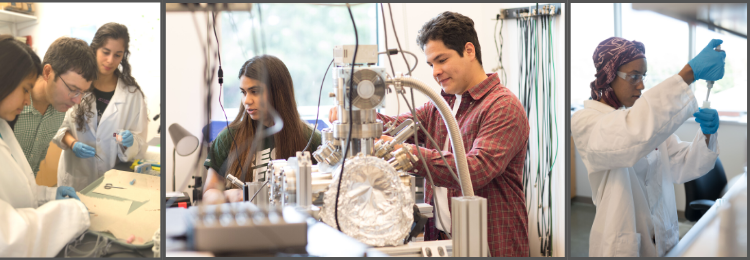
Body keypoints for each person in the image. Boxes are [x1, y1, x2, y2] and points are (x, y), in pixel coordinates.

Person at [330, 11, 530, 256]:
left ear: (469, 51)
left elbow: (474, 170)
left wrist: (403, 151)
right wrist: (354, 113)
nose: (435, 72)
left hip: (491, 243)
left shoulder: (502, 106)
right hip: (446, 240)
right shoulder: (441, 104)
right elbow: (395, 126)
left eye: (442, 60)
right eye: (431, 64)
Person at [572, 37, 723, 257]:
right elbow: (629, 137)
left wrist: (708, 134)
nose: (641, 85)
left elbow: (684, 164)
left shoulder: (642, 121)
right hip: (624, 246)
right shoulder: (585, 122)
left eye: (643, 76)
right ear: (609, 75)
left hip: (665, 239)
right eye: (634, 76)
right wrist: (689, 73)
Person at [0, 35, 90, 257]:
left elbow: (11, 185)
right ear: (0, 80)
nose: (27, 100)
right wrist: (72, 214)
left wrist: (45, 195)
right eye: (25, 89)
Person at [202, 55, 322, 204]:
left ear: (278, 92)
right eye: (244, 92)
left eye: (255, 91)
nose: (247, 100)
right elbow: (208, 193)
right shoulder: (228, 138)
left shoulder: (311, 139)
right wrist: (229, 195)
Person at [52, 22, 149, 191]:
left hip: (115, 180)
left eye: (118, 55)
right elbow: (56, 125)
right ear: (95, 49)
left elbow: (140, 141)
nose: (110, 60)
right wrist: (73, 143)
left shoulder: (132, 95)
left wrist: (130, 142)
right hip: (76, 177)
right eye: (106, 52)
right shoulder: (75, 83)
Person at [9, 37, 97, 177]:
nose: (78, 100)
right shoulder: (12, 105)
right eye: (72, 89)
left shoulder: (59, 110)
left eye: (82, 92)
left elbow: (33, 167)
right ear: (48, 72)